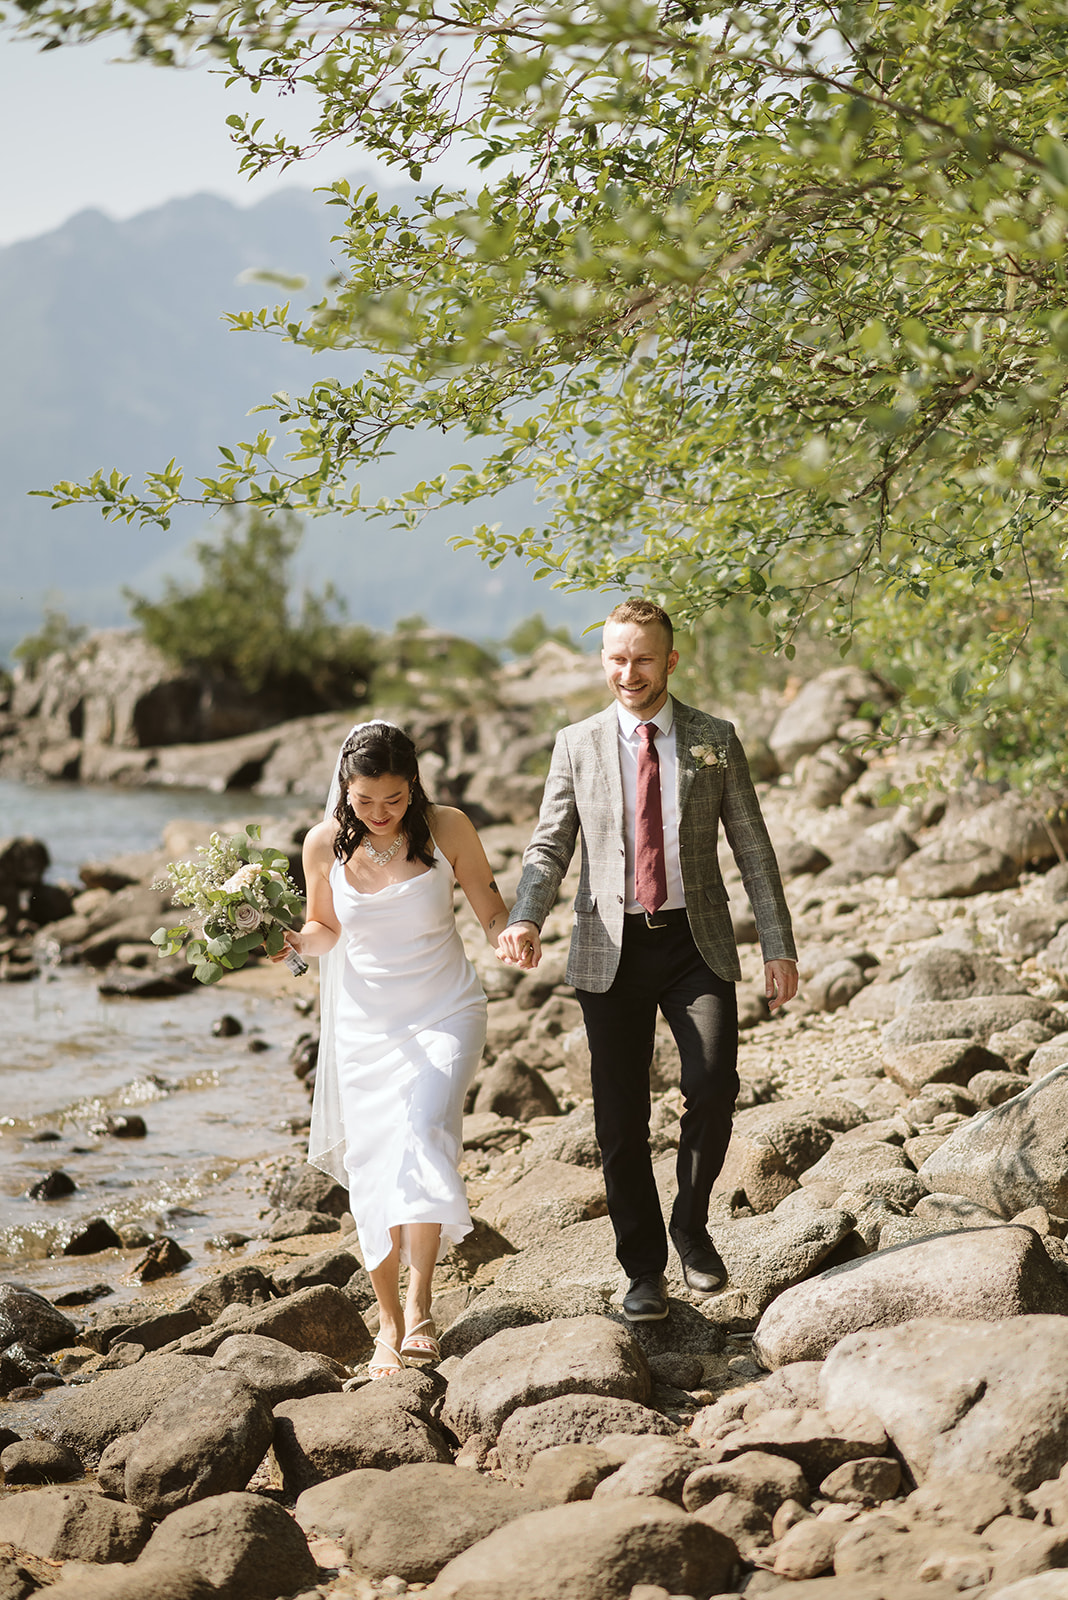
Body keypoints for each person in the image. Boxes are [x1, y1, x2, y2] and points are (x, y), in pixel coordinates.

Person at [497, 599, 798, 1322]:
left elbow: (752, 847)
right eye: (614, 658)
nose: (626, 672)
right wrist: (526, 915)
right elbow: (550, 845)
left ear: (670, 660)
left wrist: (778, 945)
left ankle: (691, 1227)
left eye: (641, 658)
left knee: (713, 1082)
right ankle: (643, 1272)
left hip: (695, 942)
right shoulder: (576, 743)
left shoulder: (714, 739)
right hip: (611, 949)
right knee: (620, 1121)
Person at [279, 721, 509, 1378]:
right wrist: (293, 943)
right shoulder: (323, 844)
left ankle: (423, 1305)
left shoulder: (447, 827)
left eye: (394, 800)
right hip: (365, 1027)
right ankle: (388, 1321)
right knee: (376, 1162)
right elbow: (324, 930)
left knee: (426, 1130)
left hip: (446, 1009)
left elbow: (489, 905)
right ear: (344, 792)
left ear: (414, 786)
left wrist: (508, 935)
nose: (381, 816)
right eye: (365, 802)